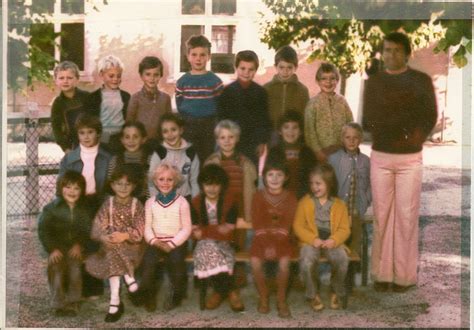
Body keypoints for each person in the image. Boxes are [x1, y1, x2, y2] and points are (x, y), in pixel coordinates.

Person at [362, 32, 437, 293]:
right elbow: (368, 119)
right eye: (386, 49)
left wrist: (410, 138)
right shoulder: (373, 82)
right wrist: (387, 131)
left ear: (407, 53)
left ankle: (404, 277)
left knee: (406, 217)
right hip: (381, 156)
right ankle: (382, 275)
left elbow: (429, 116)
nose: (390, 54)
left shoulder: (421, 81)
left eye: (396, 50)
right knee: (383, 216)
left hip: (409, 158)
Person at [58, 113, 112, 298]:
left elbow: (111, 185)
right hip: (76, 201)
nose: (87, 136)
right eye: (82, 133)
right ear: (78, 134)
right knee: (74, 240)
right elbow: (61, 186)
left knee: (94, 243)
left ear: (98, 134)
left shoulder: (107, 157)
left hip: (99, 200)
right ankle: (72, 284)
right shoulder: (69, 159)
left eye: (91, 132)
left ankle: (92, 286)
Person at [85, 166, 145, 322]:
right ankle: (129, 281)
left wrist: (125, 235)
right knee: (112, 248)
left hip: (132, 246)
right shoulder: (108, 204)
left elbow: (140, 230)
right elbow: (97, 225)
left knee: (114, 250)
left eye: (128, 184)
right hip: (110, 245)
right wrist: (104, 237)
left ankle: (115, 302)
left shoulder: (136, 205)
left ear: (134, 186)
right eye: (119, 184)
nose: (123, 188)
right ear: (112, 185)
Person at [204, 120, 257, 287]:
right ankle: (219, 280)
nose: (227, 141)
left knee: (238, 243)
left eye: (231, 137)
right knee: (221, 242)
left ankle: (238, 275)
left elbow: (252, 185)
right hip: (220, 207)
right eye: (222, 137)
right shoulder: (212, 161)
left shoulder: (245, 162)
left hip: (240, 206)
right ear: (217, 140)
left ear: (237, 139)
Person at [293, 164, 350, 311]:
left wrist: (334, 240)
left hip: (332, 241)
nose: (314, 187)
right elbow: (298, 226)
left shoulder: (339, 205)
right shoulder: (305, 202)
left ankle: (336, 290)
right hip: (311, 241)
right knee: (306, 260)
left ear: (329, 184)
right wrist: (313, 239)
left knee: (342, 259)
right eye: (312, 183)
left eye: (318, 183)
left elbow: (345, 229)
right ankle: (312, 294)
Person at [137, 163, 192, 312]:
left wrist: (172, 244)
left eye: (170, 179)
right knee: (149, 264)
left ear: (176, 182)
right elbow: (147, 228)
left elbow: (187, 228)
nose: (165, 183)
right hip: (156, 242)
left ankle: (177, 295)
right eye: (161, 179)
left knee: (176, 263)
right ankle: (149, 295)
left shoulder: (182, 202)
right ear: (155, 181)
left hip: (176, 242)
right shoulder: (150, 203)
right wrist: (155, 241)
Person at [190, 164, 244, 312]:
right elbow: (195, 233)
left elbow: (229, 229)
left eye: (216, 185)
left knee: (211, 250)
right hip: (203, 244)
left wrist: (206, 231)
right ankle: (231, 291)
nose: (212, 189)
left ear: (222, 185)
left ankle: (218, 293)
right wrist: (216, 230)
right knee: (207, 249)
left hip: (226, 243)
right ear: (202, 185)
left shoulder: (230, 200)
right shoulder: (195, 202)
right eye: (208, 184)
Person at [38, 171, 92, 317]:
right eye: (68, 187)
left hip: (74, 248)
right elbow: (44, 231)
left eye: (76, 188)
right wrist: (52, 249)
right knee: (56, 269)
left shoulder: (84, 209)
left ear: (82, 190)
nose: (72, 191)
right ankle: (59, 303)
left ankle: (73, 301)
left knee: (75, 269)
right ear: (60, 188)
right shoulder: (51, 209)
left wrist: (79, 245)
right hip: (56, 248)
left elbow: (87, 231)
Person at [250, 162, 298, 318]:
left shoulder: (290, 197)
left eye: (279, 174)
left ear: (286, 177)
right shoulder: (258, 196)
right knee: (255, 263)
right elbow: (257, 222)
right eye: (270, 174)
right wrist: (267, 245)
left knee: (284, 264)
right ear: (264, 177)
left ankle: (281, 299)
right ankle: (263, 296)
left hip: (282, 240)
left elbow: (287, 224)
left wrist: (274, 245)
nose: (275, 178)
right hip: (262, 239)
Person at [217, 50, 272, 165]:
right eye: (242, 68)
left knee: (250, 174)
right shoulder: (227, 92)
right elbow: (221, 118)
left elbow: (264, 119)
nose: (246, 73)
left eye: (250, 69)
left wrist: (262, 142)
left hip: (253, 143)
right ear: (236, 68)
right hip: (231, 142)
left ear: (255, 70)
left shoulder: (261, 92)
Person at [175, 35, 224, 163]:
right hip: (189, 125)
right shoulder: (182, 82)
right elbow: (179, 103)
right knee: (189, 160)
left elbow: (221, 105)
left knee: (207, 159)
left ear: (209, 57)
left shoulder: (215, 81)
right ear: (188, 56)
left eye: (202, 55)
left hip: (209, 126)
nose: (198, 59)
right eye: (194, 54)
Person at [328, 123, 371, 256]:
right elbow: (329, 183)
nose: (351, 141)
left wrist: (366, 200)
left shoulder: (366, 161)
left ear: (361, 139)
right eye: (348, 137)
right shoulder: (334, 159)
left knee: (355, 244)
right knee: (339, 243)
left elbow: (372, 184)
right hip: (339, 208)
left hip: (357, 208)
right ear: (342, 139)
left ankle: (354, 268)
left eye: (355, 137)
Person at [304, 63, 353, 162]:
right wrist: (318, 152)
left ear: (337, 80)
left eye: (332, 78)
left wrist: (348, 146)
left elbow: (350, 124)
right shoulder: (313, 104)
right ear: (318, 81)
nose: (328, 82)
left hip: (341, 151)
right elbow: (309, 131)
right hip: (321, 153)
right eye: (324, 78)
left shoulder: (342, 101)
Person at [148, 113, 200, 201]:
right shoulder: (160, 153)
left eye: (173, 129)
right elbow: (151, 181)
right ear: (161, 134)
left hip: (185, 199)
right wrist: (156, 201)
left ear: (181, 130)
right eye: (165, 131)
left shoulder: (190, 153)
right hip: (163, 200)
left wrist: (195, 203)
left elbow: (195, 182)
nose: (170, 134)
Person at [266, 110, 318, 199]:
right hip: (280, 197)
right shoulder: (274, 152)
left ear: (301, 131)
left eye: (295, 127)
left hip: (303, 197)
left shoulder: (307, 152)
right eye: (286, 127)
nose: (290, 131)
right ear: (280, 131)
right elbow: (268, 177)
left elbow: (313, 177)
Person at [86, 55, 130, 153]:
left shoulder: (126, 96)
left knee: (116, 165)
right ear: (101, 74)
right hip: (102, 137)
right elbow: (90, 120)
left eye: (118, 76)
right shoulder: (93, 97)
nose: (115, 79)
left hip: (121, 137)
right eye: (111, 76)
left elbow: (128, 118)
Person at [263, 45, 310, 135]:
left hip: (294, 135)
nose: (285, 71)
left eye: (289, 67)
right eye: (281, 67)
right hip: (272, 134)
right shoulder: (266, 88)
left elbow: (305, 117)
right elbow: (261, 115)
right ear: (275, 66)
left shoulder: (302, 90)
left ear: (295, 67)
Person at [126, 56, 172, 141]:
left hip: (160, 142)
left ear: (160, 75)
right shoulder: (135, 98)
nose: (152, 78)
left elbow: (169, 123)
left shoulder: (166, 98)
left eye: (156, 75)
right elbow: (129, 124)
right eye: (148, 74)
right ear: (141, 76)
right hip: (141, 142)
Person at [107, 121, 153, 203]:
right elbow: (111, 186)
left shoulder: (150, 160)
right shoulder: (115, 160)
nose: (131, 141)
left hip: (143, 202)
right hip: (120, 202)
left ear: (143, 139)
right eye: (127, 137)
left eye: (135, 137)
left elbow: (151, 188)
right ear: (122, 140)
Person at [50, 61, 90, 153]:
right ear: (56, 80)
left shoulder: (87, 97)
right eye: (61, 78)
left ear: (77, 79)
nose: (65, 81)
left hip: (91, 143)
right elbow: (56, 129)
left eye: (69, 78)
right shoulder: (58, 104)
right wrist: (66, 148)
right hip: (72, 146)